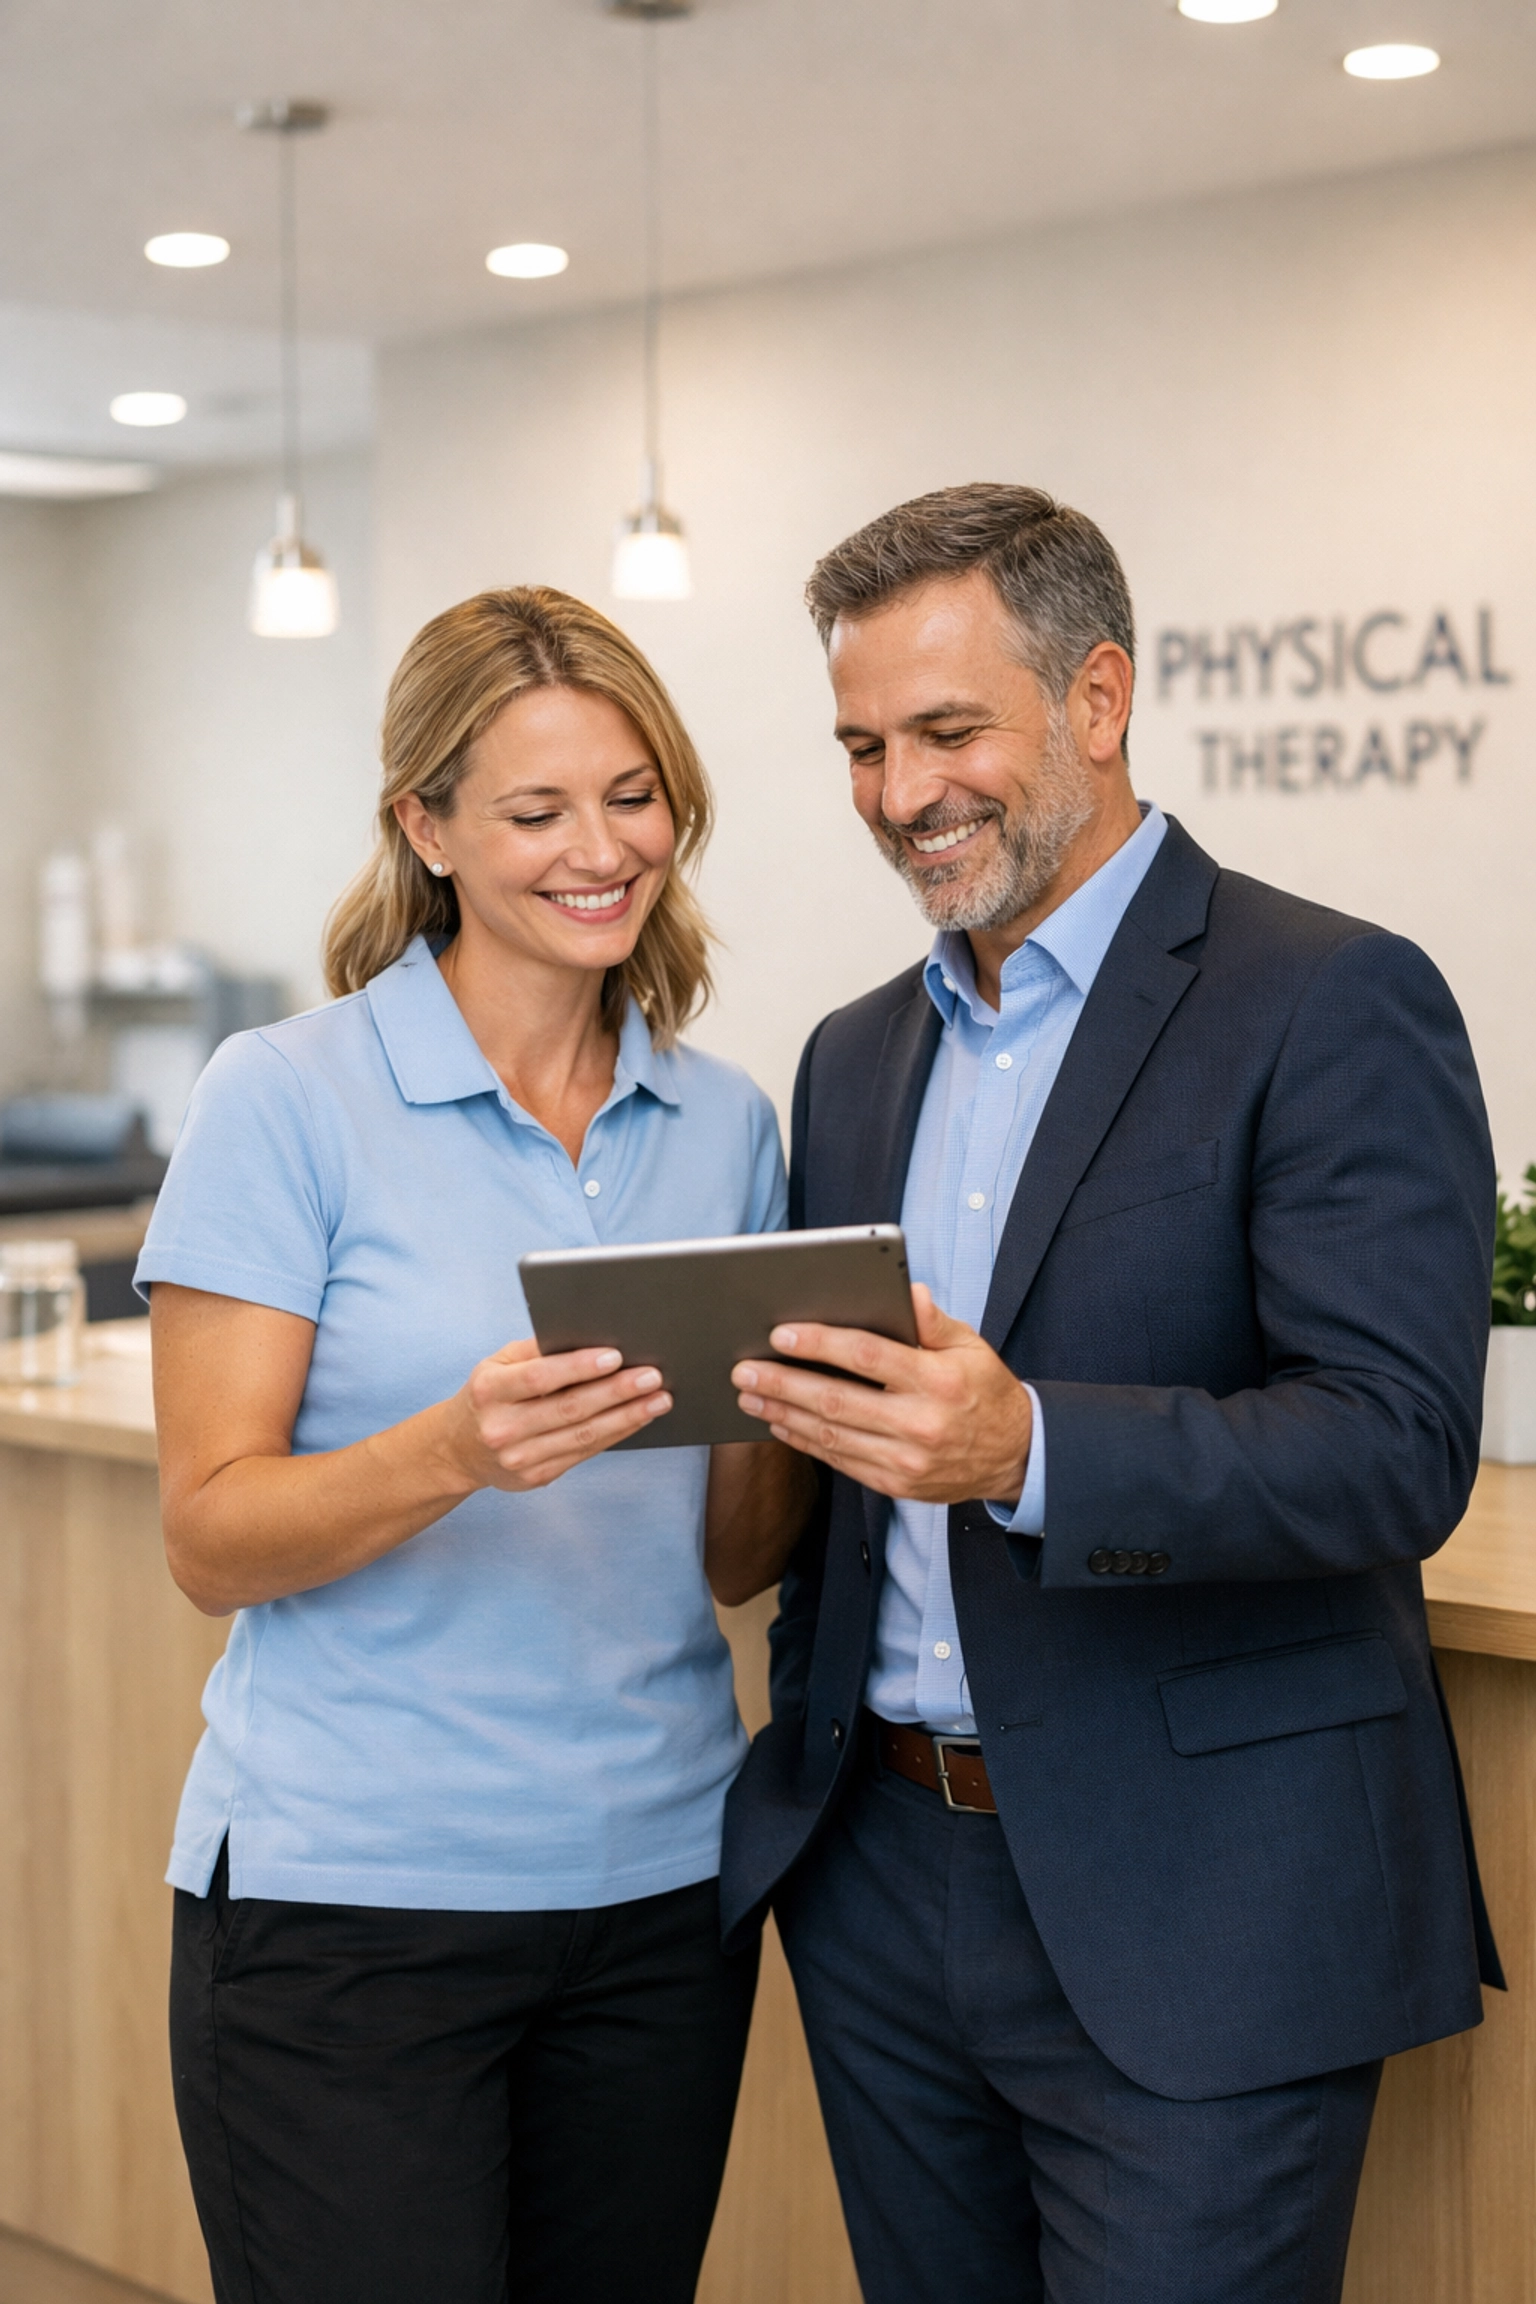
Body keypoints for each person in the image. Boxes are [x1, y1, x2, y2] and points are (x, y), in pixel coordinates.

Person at [720, 485, 1502, 2304]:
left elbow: (1397, 1449)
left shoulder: (1331, 998)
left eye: (946, 732)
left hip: (1204, 1909)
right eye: (858, 746)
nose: (901, 793)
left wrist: (1032, 1447)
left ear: (1096, 700)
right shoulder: (851, 1056)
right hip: (878, 1879)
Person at [142, 585, 812, 2304]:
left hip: (659, 1896)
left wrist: (807, 1406)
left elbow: (731, 1556)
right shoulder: (284, 1098)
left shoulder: (726, 1122)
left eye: (634, 794)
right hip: (349, 1910)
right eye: (535, 811)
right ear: (425, 826)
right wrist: (455, 1450)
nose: (601, 849)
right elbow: (213, 1534)